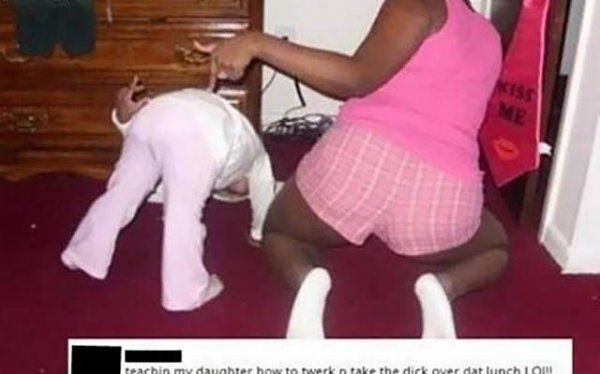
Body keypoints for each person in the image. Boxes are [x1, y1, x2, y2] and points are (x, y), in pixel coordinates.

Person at [197, 0, 508, 338]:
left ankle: (309, 281)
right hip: (440, 198)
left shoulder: (416, 5)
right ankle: (443, 287)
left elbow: (355, 78)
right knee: (496, 247)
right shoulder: (490, 37)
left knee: (280, 231)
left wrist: (256, 43)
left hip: (357, 166)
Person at [61, 76, 278, 312]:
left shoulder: (219, 130)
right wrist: (259, 232)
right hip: (195, 129)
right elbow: (264, 189)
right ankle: (186, 292)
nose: (239, 192)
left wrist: (124, 120)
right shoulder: (256, 156)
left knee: (121, 193)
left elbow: (158, 154)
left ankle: (82, 253)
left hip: (151, 116)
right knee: (182, 213)